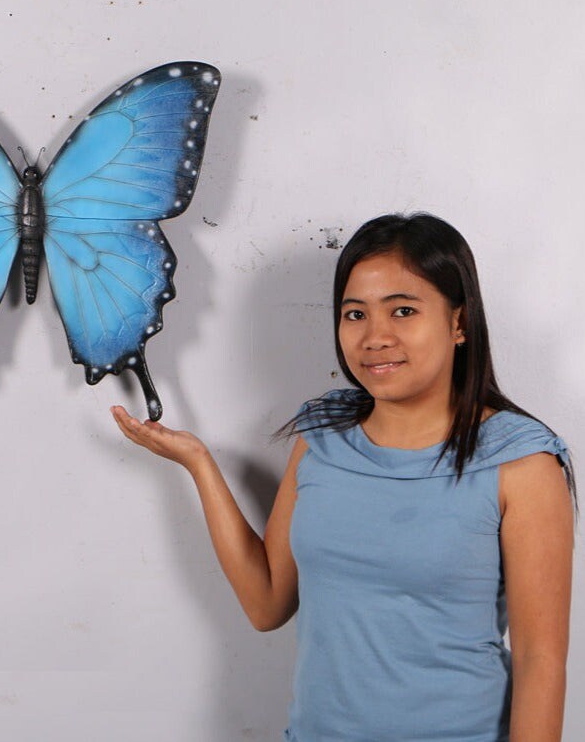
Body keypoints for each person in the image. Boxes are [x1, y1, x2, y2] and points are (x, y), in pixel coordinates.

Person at [111, 212, 577, 742]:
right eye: (355, 314)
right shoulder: (321, 435)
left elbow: (543, 663)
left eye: (403, 310)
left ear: (459, 322)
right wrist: (199, 464)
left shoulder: (521, 462)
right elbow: (267, 604)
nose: (375, 336)